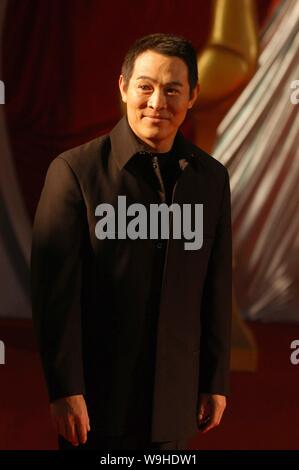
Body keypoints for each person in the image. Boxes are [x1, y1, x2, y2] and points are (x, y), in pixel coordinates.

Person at [31, 33, 232, 450]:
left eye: (173, 89)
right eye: (145, 86)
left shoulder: (212, 179)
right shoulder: (73, 172)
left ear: (193, 95)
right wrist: (64, 389)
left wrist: (215, 380)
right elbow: (54, 298)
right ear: (123, 87)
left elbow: (216, 287)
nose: (158, 102)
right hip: (96, 406)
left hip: (176, 407)